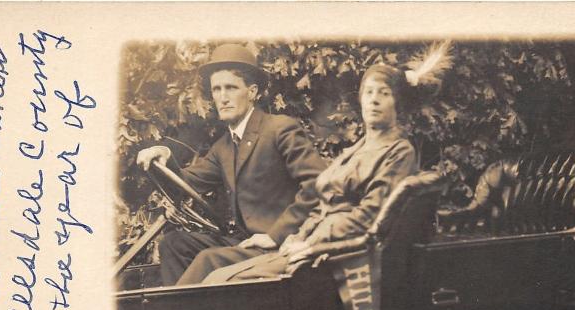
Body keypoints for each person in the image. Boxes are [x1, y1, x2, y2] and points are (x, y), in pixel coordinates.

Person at [183, 63, 421, 285]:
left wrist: (309, 240)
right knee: (205, 266)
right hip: (310, 244)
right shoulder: (357, 149)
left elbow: (370, 215)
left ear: (398, 104)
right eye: (368, 93)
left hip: (339, 252)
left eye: (384, 94)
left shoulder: (399, 152)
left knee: (218, 277)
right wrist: (301, 235)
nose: (374, 101)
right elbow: (323, 202)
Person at [136, 43, 326, 285]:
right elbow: (185, 182)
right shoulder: (224, 147)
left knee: (208, 259)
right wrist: (163, 152)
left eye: (231, 88)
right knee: (174, 244)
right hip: (243, 243)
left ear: (252, 91)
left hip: (276, 245)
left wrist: (276, 234)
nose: (222, 97)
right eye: (216, 89)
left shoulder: (279, 129)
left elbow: (319, 184)